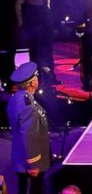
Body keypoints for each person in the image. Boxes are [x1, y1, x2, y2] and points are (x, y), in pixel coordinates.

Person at [6, 62, 50, 194]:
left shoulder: (19, 98)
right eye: (36, 77)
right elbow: (29, 135)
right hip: (29, 161)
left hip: (21, 156)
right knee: (34, 189)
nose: (38, 79)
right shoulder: (27, 104)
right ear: (31, 83)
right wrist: (33, 164)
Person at [15, 0, 54, 84]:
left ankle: (50, 76)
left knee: (48, 47)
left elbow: (48, 0)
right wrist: (20, 20)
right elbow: (19, 3)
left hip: (45, 16)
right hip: (34, 17)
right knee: (35, 49)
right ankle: (36, 78)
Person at [1, 0, 19, 85]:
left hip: (12, 18)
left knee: (12, 48)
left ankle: (11, 73)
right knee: (4, 49)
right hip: (3, 19)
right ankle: (4, 75)